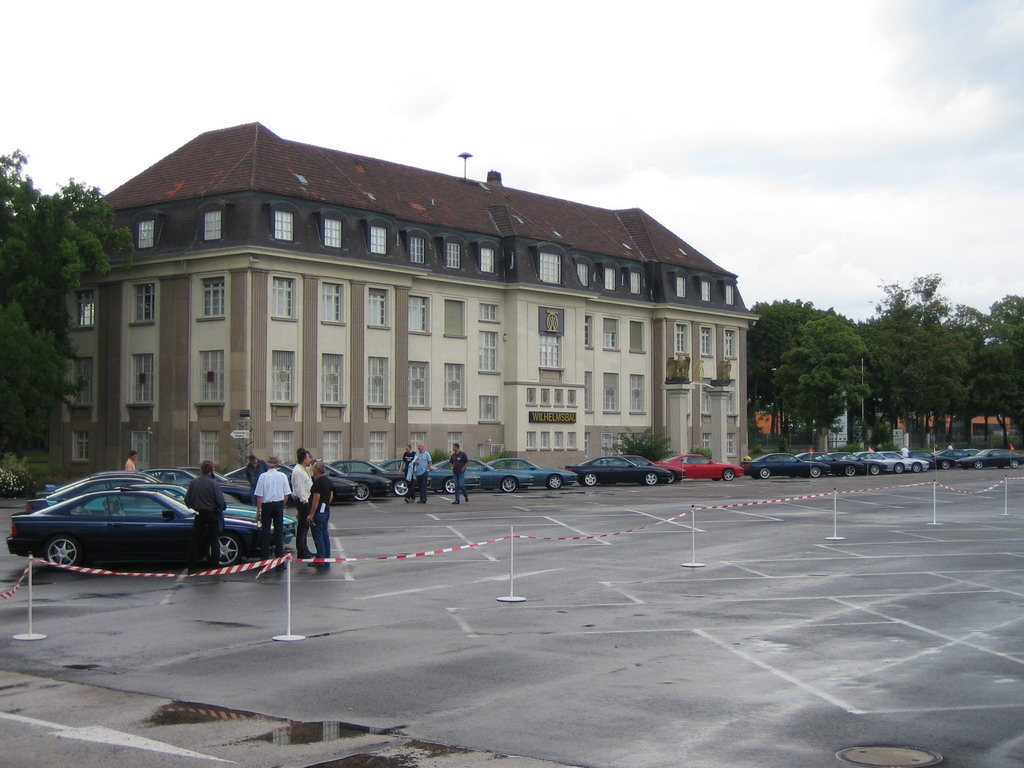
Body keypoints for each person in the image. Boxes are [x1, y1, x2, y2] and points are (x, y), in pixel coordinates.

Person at [184, 460, 227, 573]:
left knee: (195, 540)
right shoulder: (214, 483)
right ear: (211, 471)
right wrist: (218, 507)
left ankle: (192, 566)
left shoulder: (194, 483)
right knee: (214, 540)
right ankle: (215, 565)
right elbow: (220, 501)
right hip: (212, 513)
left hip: (199, 514)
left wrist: (193, 506)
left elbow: (187, 499)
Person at [254, 455, 290, 564]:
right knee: (279, 531)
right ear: (277, 464)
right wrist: (282, 505)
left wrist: (258, 511)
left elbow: (259, 496)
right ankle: (279, 557)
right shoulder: (282, 476)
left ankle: (264, 557)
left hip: (267, 505)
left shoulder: (263, 476)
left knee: (265, 531)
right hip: (278, 504)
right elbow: (286, 494)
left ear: (268, 464)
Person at [307, 461, 333, 568]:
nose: (312, 470)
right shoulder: (328, 480)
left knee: (318, 536)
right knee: (325, 534)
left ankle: (320, 558)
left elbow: (316, 498)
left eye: (313, 468)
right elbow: (331, 496)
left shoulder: (318, 482)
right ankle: (327, 558)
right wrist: (326, 505)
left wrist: (311, 514)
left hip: (318, 512)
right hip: (325, 510)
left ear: (317, 470)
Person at [290, 448, 315, 559]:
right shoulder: (298, 471)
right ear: (304, 459)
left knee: (305, 527)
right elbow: (300, 488)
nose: (310, 459)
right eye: (308, 457)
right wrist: (305, 501)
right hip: (303, 501)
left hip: (305, 499)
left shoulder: (302, 469)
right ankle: (302, 550)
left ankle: (304, 548)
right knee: (303, 526)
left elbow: (310, 471)